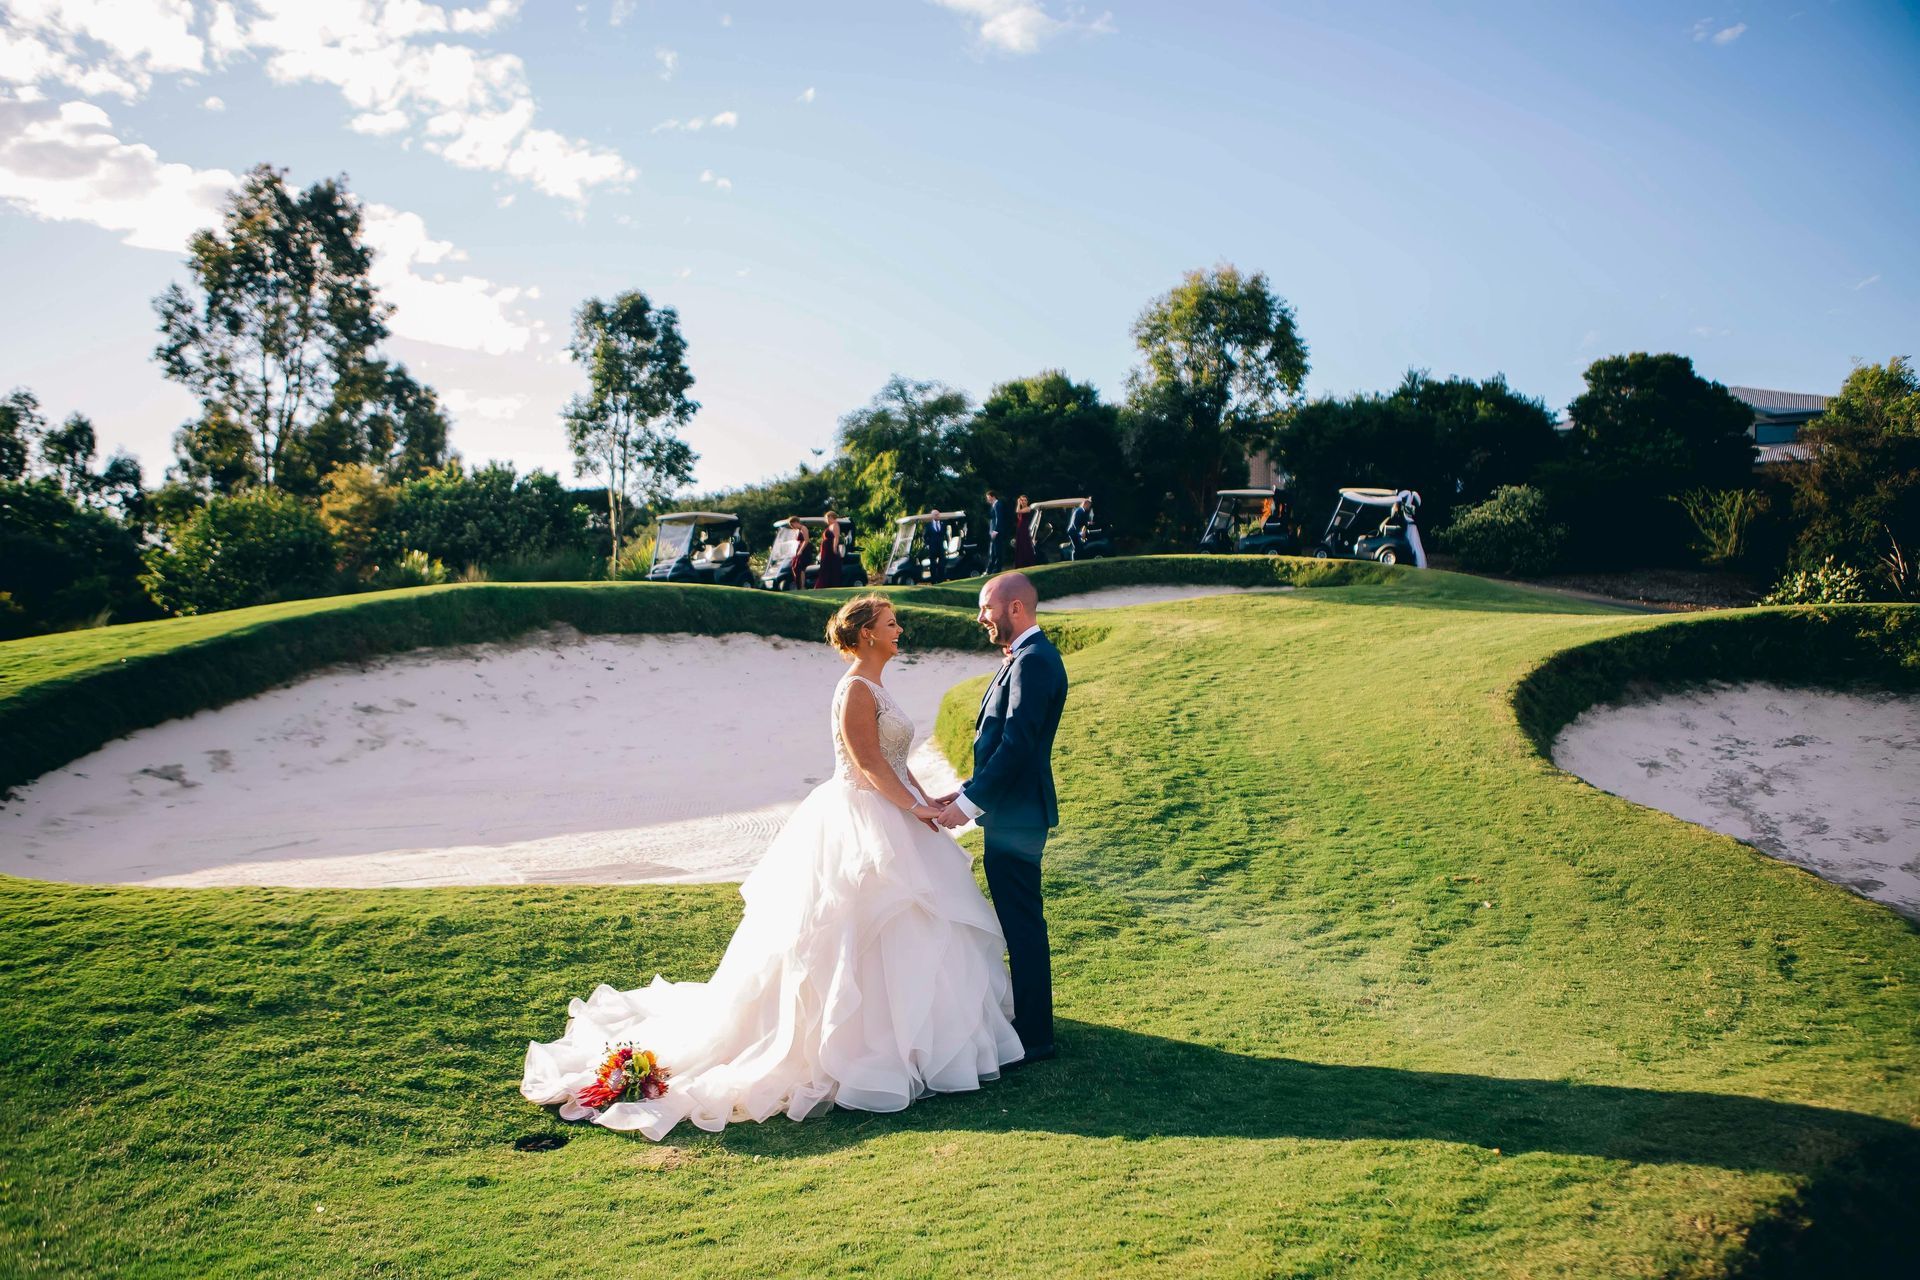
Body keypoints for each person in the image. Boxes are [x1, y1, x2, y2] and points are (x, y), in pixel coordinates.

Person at [522, 596, 1023, 1139]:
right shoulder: (854, 688)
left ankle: (919, 1040)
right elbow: (867, 762)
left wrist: (928, 805)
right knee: (855, 929)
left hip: (895, 814)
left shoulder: (876, 687)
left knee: (914, 926)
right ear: (867, 635)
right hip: (859, 820)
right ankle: (856, 1049)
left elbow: (898, 763)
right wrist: (912, 806)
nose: (900, 629)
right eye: (891, 623)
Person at [935, 572, 1069, 1064]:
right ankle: (1032, 1026)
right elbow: (1001, 745)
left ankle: (1034, 1036)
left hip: (1016, 817)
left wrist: (968, 808)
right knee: (1019, 922)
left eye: (986, 608)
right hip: (1011, 811)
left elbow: (1018, 745)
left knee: (1023, 926)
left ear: (1015, 608)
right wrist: (967, 789)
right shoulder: (1023, 659)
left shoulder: (1034, 662)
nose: (981, 618)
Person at [813, 510, 843, 588]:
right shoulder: (830, 526)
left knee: (831, 566)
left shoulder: (835, 525)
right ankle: (824, 584)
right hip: (826, 549)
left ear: (830, 517)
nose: (826, 520)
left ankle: (831, 584)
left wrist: (834, 548)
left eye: (827, 518)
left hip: (830, 548)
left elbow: (836, 538)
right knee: (825, 566)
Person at [984, 489, 1009, 575]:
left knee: (996, 552)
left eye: (988, 497)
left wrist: (995, 531)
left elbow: (999, 519)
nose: (987, 499)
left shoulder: (998, 505)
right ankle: (990, 570)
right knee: (993, 552)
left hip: (996, 532)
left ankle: (994, 570)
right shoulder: (994, 505)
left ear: (992, 496)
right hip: (993, 531)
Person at [785, 515, 813, 588]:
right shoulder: (797, 530)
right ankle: (798, 584)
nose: (792, 526)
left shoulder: (804, 528)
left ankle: (802, 585)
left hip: (804, 549)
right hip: (799, 549)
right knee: (795, 567)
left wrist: (800, 550)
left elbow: (806, 540)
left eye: (792, 524)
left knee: (800, 568)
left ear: (796, 522)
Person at [1012, 495, 1035, 568]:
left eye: (1025, 500)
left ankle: (1028, 563)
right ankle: (1020, 564)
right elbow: (1018, 513)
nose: (1023, 501)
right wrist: (1019, 504)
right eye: (1022, 500)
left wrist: (1018, 503)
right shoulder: (1022, 508)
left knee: (1025, 545)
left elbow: (1017, 511)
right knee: (1020, 545)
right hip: (1020, 528)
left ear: (1027, 501)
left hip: (1024, 528)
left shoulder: (1028, 508)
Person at [925, 509, 947, 584]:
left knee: (942, 564)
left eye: (938, 514)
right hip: (933, 547)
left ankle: (941, 579)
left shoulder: (943, 524)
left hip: (941, 547)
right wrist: (928, 544)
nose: (937, 516)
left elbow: (945, 535)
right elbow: (925, 536)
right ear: (932, 516)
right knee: (933, 565)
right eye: (935, 515)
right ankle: (933, 580)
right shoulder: (928, 525)